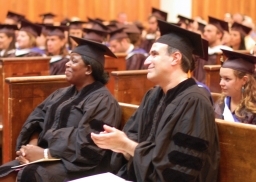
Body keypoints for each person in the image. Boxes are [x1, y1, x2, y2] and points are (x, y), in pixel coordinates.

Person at [91, 20, 219, 182]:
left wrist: (126, 146)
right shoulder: (153, 96)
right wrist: (117, 144)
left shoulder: (195, 102)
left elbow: (180, 170)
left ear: (175, 58)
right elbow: (132, 135)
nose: (146, 61)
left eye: (154, 54)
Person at [0, 36, 121, 182]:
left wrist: (45, 154)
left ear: (89, 69)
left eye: (73, 61)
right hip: (44, 158)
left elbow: (90, 145)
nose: (67, 64)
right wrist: (31, 148)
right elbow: (38, 119)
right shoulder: (61, 93)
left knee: (32, 174)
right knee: (4, 172)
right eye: (68, 59)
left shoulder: (103, 101)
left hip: (81, 166)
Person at [214, 49, 256, 123]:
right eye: (221, 78)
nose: (221, 83)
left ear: (244, 80)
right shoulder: (220, 104)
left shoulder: (253, 110)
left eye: (227, 79)